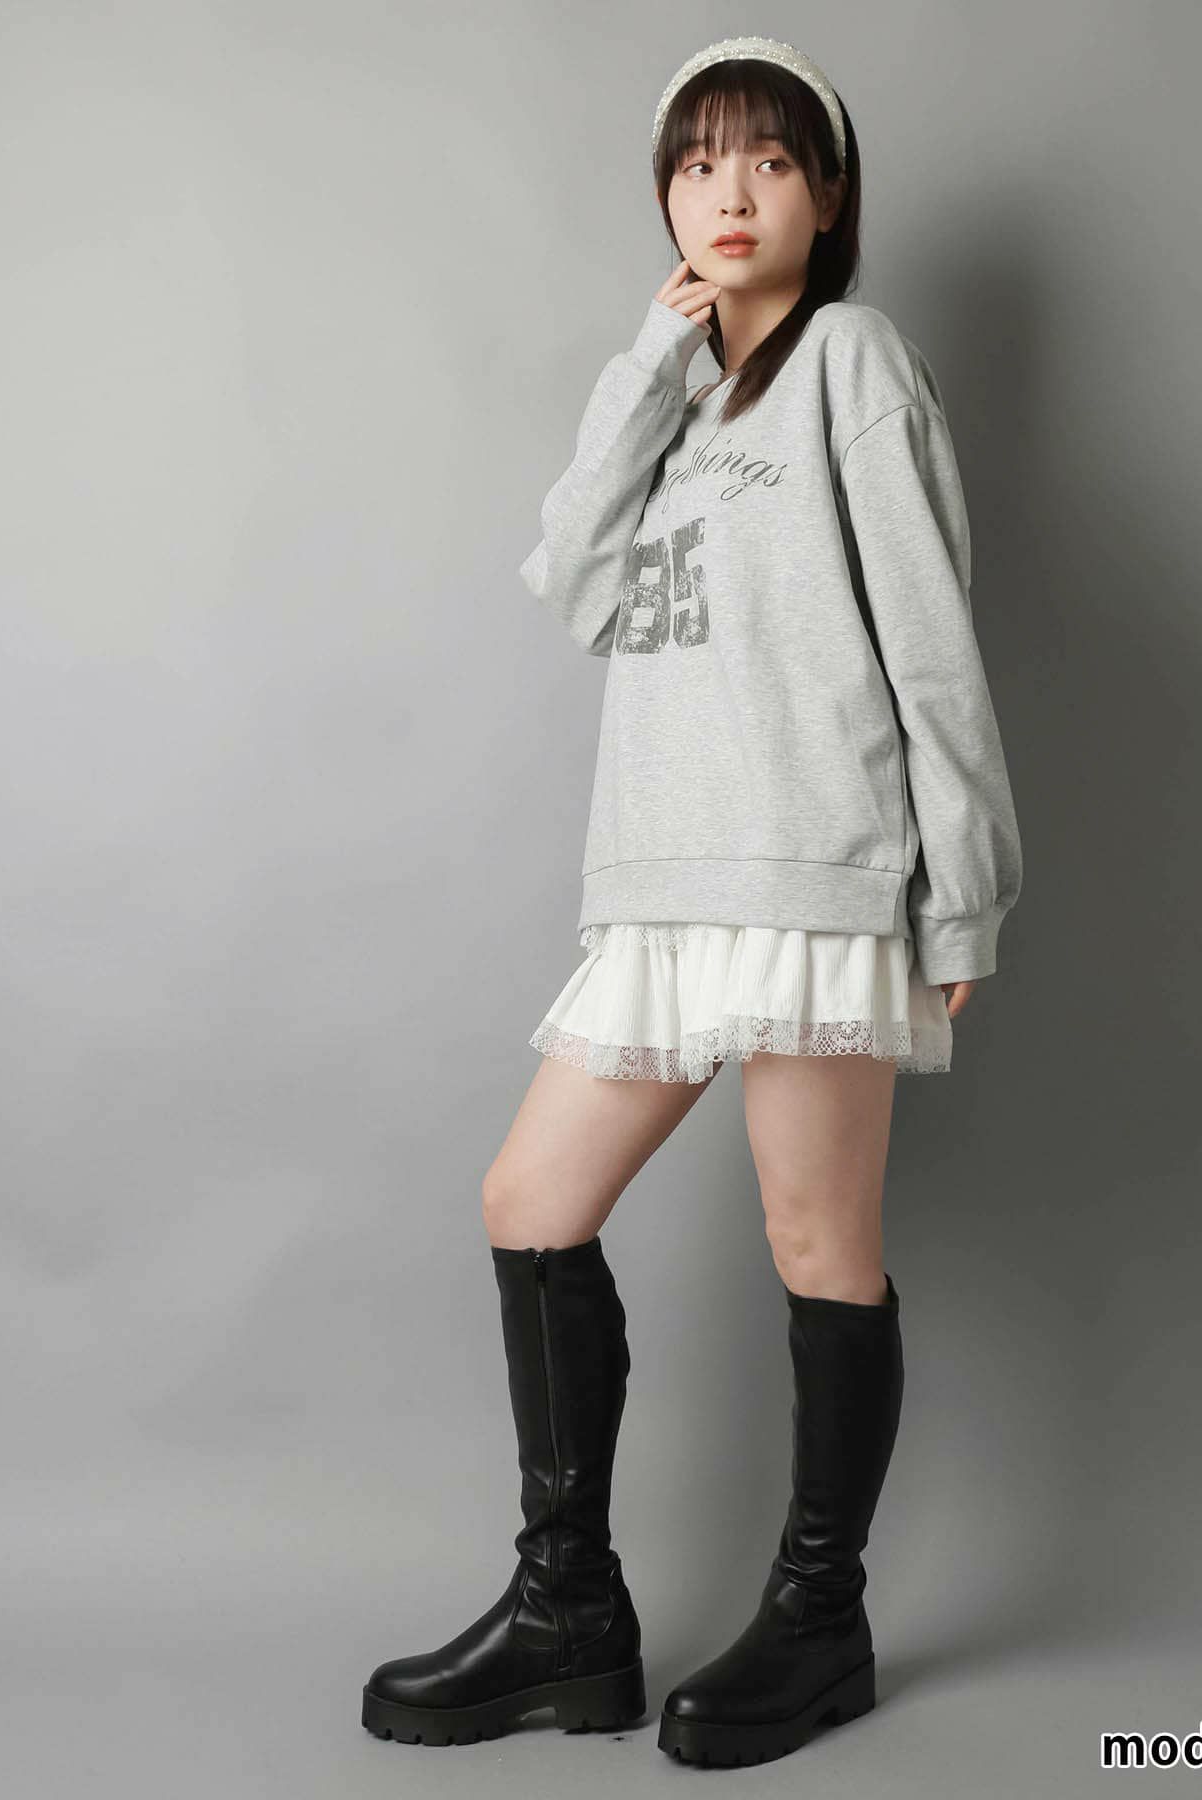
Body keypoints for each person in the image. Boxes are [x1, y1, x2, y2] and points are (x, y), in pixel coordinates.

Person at [360, 34, 1023, 1768]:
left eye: (771, 160)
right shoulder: (680, 398)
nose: (731, 192)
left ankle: (820, 1621)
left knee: (821, 1246)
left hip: (813, 871)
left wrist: (963, 892)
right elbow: (576, 583)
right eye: (699, 161)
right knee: (532, 1200)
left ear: (829, 195)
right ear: (665, 196)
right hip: (661, 884)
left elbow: (933, 645)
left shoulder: (854, 362)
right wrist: (649, 362)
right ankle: (570, 1618)